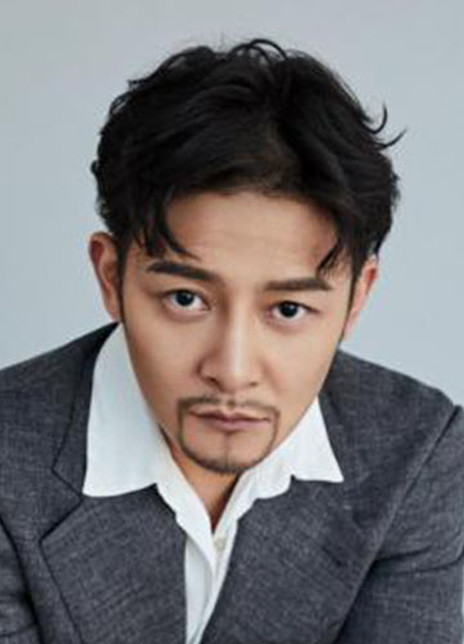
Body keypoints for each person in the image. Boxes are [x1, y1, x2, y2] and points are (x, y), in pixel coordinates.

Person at [0, 38, 463, 644]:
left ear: (357, 298)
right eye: (185, 299)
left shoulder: (416, 454)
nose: (233, 369)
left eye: (289, 309)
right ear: (111, 277)